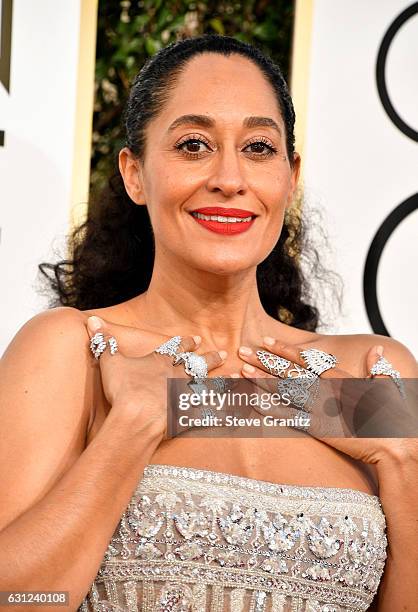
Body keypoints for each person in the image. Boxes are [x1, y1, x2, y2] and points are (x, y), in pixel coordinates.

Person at [0, 35, 416, 612]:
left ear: (289, 177)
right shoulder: (76, 350)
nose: (229, 176)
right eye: (193, 145)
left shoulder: (374, 372)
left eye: (259, 148)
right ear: (135, 173)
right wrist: (132, 428)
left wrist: (402, 459)